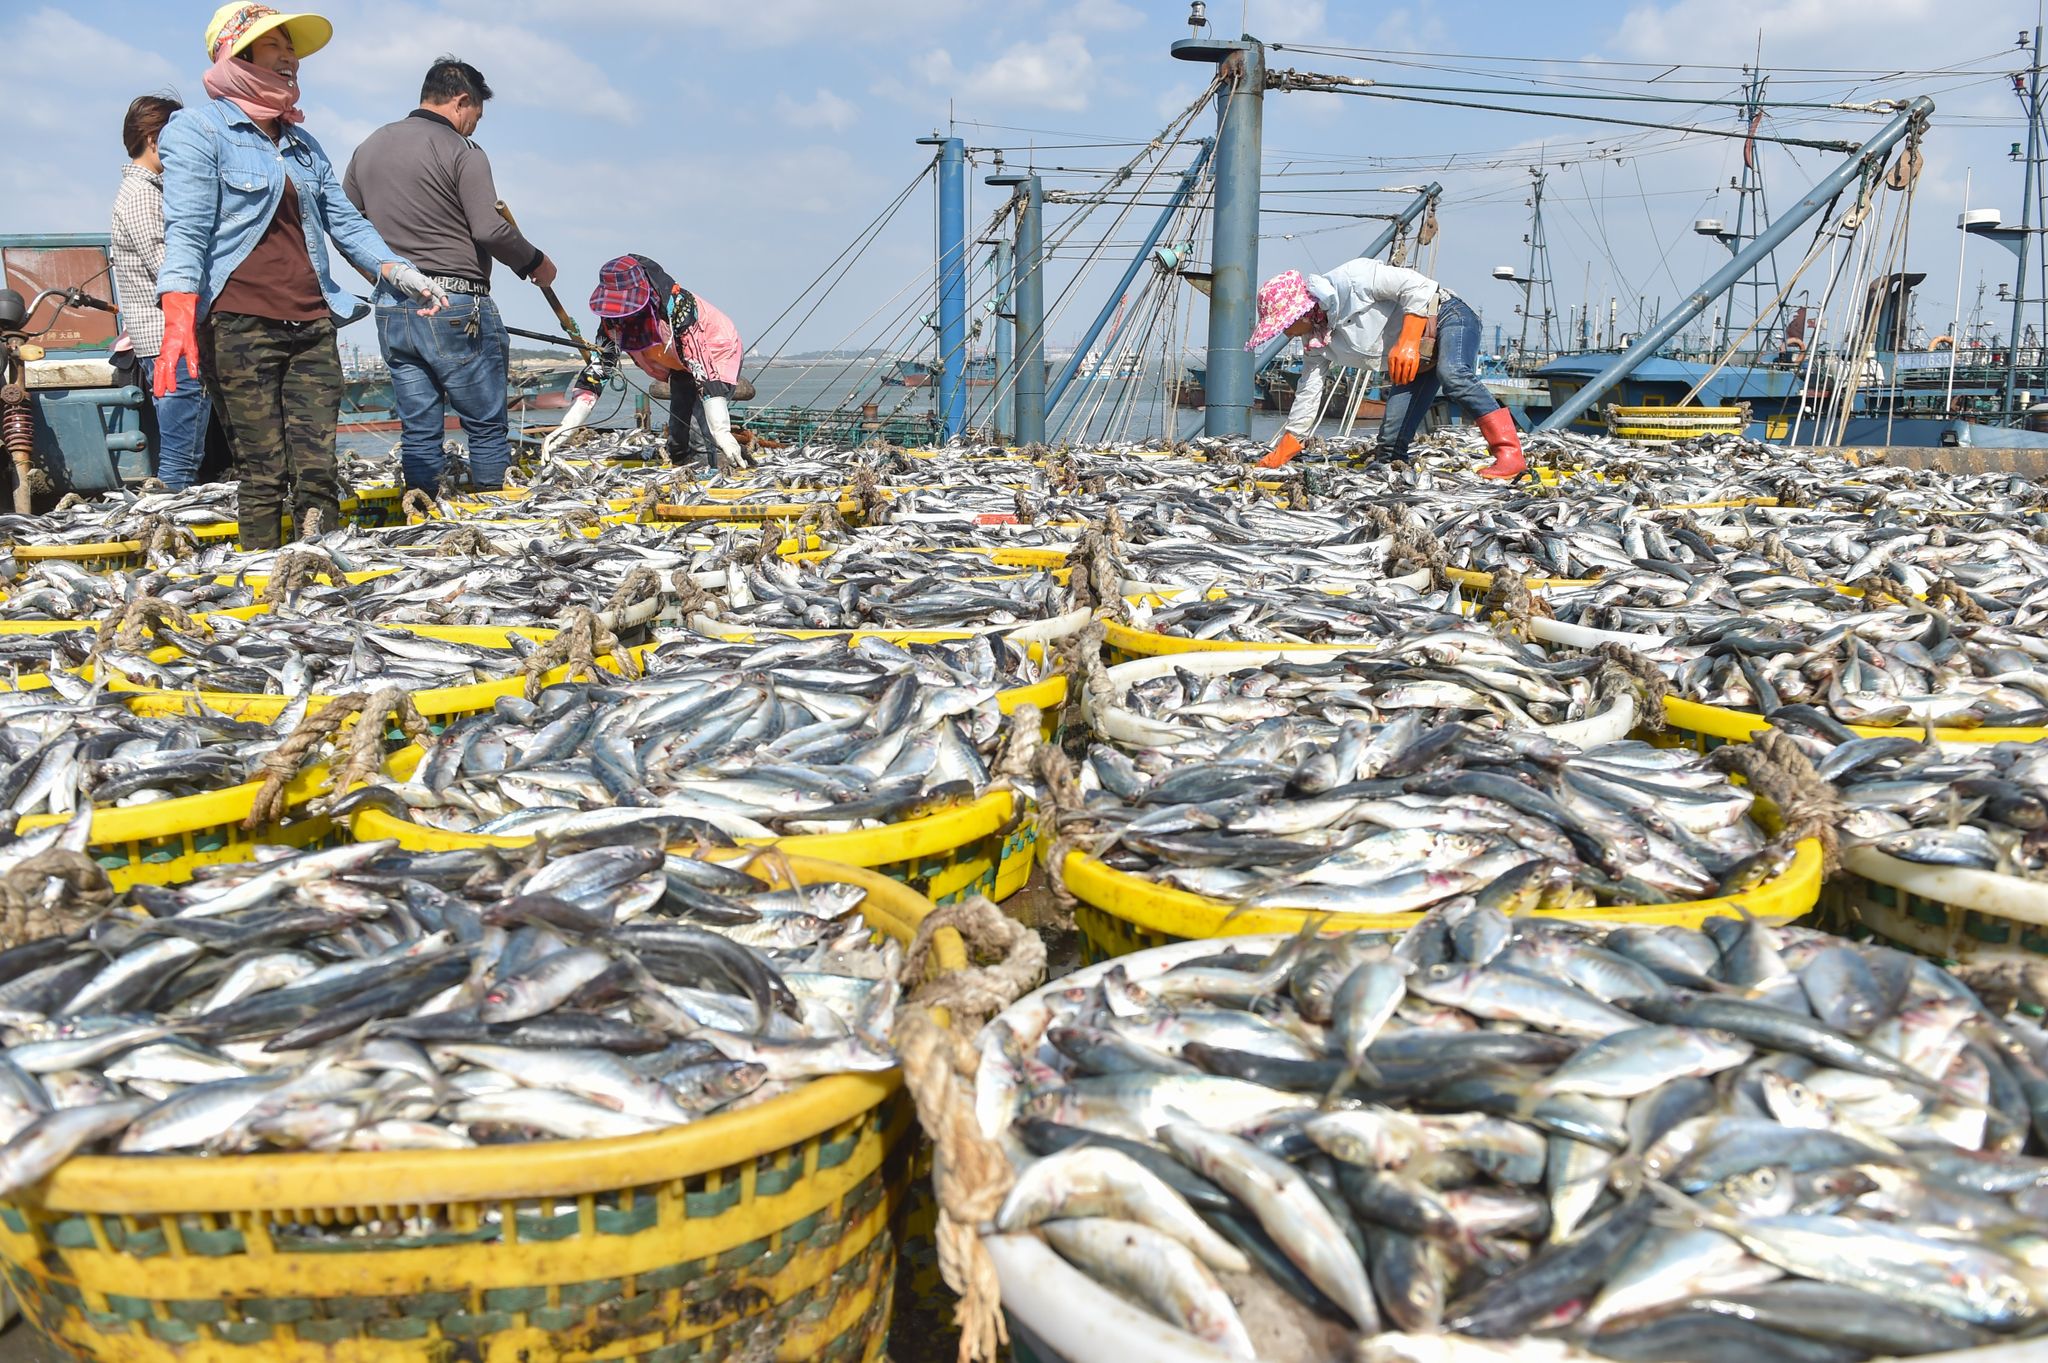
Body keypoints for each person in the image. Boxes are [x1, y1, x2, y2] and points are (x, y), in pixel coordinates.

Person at [154, 3, 448, 550]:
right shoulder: (197, 130)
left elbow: (344, 221)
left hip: (313, 322)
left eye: (292, 49)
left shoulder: (303, 145)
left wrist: (400, 271)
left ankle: (318, 579)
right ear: (237, 55)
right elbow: (187, 231)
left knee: (317, 470)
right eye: (276, 46)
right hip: (239, 325)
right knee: (263, 472)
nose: (290, 58)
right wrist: (177, 316)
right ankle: (263, 580)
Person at [344, 57, 556, 494]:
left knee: (419, 429)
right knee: (484, 425)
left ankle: (422, 515)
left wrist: (381, 277)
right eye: (476, 115)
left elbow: (347, 228)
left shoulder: (368, 147)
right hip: (457, 305)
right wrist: (535, 262)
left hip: (393, 308)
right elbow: (489, 228)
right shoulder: (463, 152)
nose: (474, 126)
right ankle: (494, 518)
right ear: (462, 101)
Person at [1246, 261, 1525, 479]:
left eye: (1282, 324)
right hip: (1416, 361)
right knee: (1389, 453)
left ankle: (1509, 454)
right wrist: (1291, 441)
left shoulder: (1352, 279)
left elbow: (1419, 287)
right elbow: (1310, 389)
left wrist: (1407, 341)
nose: (1284, 332)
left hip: (1445, 317)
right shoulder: (1316, 340)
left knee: (1452, 374)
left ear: (1299, 312)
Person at [111, 94, 218, 491]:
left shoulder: (148, 191)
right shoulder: (143, 195)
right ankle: (169, 533)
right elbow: (171, 271)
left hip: (166, 344)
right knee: (181, 458)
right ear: (156, 139)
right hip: (169, 343)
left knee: (184, 454)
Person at [555, 255, 747, 469]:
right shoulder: (612, 321)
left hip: (716, 351)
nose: (622, 316)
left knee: (700, 427)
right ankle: (680, 465)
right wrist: (567, 426)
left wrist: (722, 431)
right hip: (677, 362)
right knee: (679, 429)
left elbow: (705, 372)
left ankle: (713, 472)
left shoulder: (679, 307)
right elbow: (598, 372)